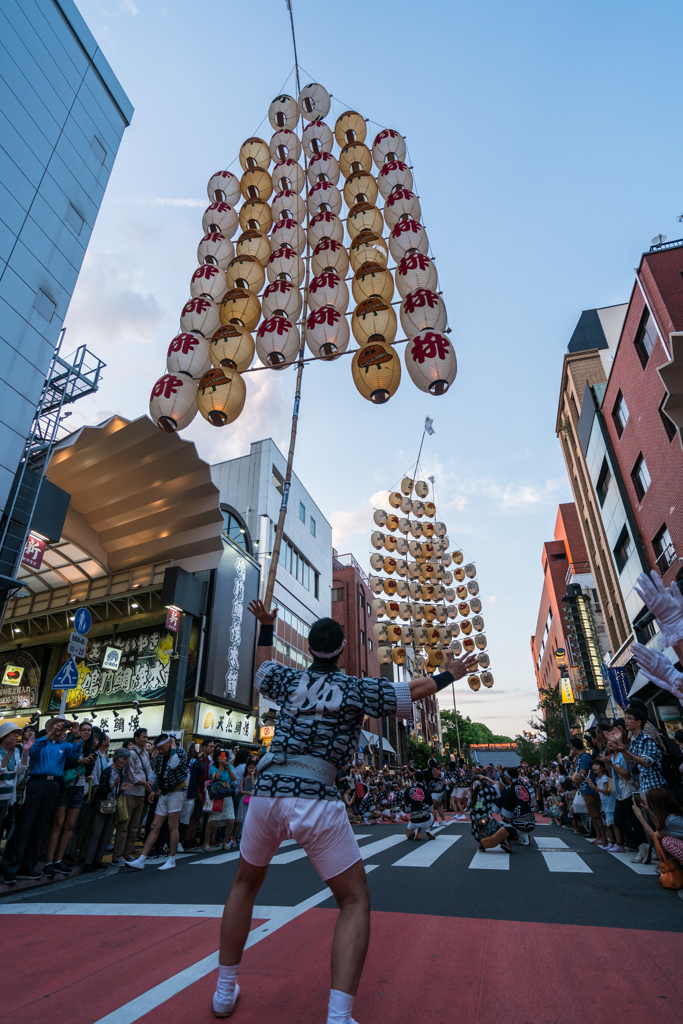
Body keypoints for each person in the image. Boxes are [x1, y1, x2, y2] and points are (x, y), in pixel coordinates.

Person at [212, 600, 477, 1021]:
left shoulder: (289, 678)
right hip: (317, 793)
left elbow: (261, 670)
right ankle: (338, 1016)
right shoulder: (355, 688)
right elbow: (412, 691)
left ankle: (224, 992)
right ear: (341, 649)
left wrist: (265, 627)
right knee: (354, 900)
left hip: (267, 790)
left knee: (244, 884)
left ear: (310, 649)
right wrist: (451, 674)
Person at [1, 715, 83, 883]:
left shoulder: (64, 745)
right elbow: (31, 751)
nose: (61, 729)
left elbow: (75, 753)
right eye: (58, 725)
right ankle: (10, 867)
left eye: (63, 726)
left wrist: (76, 735)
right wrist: (50, 734)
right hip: (36, 784)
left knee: (39, 826)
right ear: (51, 726)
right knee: (24, 825)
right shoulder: (41, 741)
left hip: (53, 786)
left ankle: (28, 866)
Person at [125, 733, 188, 872]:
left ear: (169, 743)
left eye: (162, 748)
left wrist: (173, 748)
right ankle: (142, 859)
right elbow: (155, 774)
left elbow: (173, 764)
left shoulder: (180, 752)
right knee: (154, 825)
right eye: (158, 749)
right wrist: (153, 790)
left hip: (177, 791)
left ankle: (172, 859)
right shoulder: (160, 756)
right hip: (164, 792)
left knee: (172, 825)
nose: (160, 751)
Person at [43, 719, 98, 877]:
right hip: (65, 786)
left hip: (79, 788)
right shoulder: (68, 744)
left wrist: (89, 763)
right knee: (57, 824)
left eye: (88, 730)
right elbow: (62, 765)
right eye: (83, 729)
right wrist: (79, 761)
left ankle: (59, 860)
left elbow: (88, 773)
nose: (86, 732)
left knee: (69, 826)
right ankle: (48, 861)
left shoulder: (90, 749)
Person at [83, 748, 133, 870]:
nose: (124, 761)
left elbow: (113, 790)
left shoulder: (119, 772)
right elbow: (101, 790)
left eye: (125, 759)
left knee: (105, 834)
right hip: (102, 805)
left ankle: (97, 859)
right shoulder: (108, 771)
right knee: (96, 833)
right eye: (123, 759)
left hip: (111, 805)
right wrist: (113, 786)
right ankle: (88, 861)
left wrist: (120, 788)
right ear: (117, 758)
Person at [112, 727, 152, 863]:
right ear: (136, 739)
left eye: (146, 737)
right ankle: (117, 856)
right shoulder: (131, 754)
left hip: (141, 793)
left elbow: (149, 771)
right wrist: (144, 783)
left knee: (134, 827)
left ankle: (127, 853)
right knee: (124, 826)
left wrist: (150, 783)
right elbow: (130, 774)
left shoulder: (145, 754)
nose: (146, 739)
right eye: (144, 737)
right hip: (130, 793)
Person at [0, 723, 31, 871]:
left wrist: (25, 753)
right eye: (13, 733)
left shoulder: (16, 752)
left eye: (17, 733)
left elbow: (21, 771)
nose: (16, 736)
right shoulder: (6, 751)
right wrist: (9, 754)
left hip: (7, 799)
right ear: (4, 735)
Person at [632, 787, 683, 867]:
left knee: (666, 841)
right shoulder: (674, 814)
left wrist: (639, 816)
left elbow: (655, 836)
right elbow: (662, 828)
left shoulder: (669, 821)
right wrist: (649, 811)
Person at [571, 735, 607, 846]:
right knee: (592, 814)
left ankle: (603, 837)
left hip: (589, 788)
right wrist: (575, 778)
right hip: (584, 789)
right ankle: (598, 836)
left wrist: (576, 781)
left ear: (574, 747)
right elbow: (578, 772)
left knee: (595, 814)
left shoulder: (585, 757)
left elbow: (583, 771)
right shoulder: (580, 757)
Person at [205, 747, 236, 852]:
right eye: (219, 756)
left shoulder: (229, 766)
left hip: (227, 795)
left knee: (231, 820)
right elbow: (215, 778)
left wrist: (227, 768)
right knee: (212, 820)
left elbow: (234, 778)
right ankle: (206, 842)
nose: (222, 758)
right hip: (217, 795)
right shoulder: (213, 767)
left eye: (224, 756)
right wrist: (220, 767)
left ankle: (225, 841)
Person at [587, 758, 622, 851]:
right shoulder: (598, 779)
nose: (594, 767)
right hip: (605, 805)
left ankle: (619, 844)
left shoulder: (605, 778)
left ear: (602, 768)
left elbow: (607, 791)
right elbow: (600, 793)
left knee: (613, 824)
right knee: (607, 825)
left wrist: (596, 788)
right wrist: (594, 787)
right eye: (593, 765)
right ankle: (612, 842)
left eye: (597, 765)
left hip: (610, 804)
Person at [498, 767, 536, 846]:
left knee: (498, 827)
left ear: (507, 778)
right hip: (532, 823)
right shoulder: (524, 788)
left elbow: (508, 817)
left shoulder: (509, 791)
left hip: (519, 824)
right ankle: (524, 834)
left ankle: (511, 837)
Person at [402, 770, 435, 841]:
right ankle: (428, 830)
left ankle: (415, 831)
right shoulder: (426, 791)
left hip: (414, 819)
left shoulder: (408, 790)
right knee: (432, 813)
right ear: (423, 780)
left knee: (408, 833)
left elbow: (406, 809)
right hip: (426, 819)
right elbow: (431, 808)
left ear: (414, 779)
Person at [423, 758, 446, 826]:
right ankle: (444, 821)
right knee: (437, 806)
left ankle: (435, 822)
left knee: (430, 806)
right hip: (440, 790)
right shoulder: (438, 771)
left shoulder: (426, 772)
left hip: (434, 792)